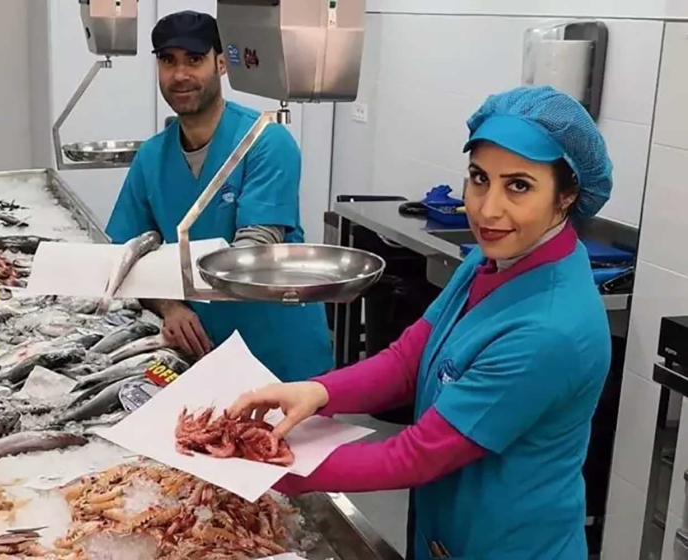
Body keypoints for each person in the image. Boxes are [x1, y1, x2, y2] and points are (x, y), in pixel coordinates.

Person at [229, 86, 614, 559]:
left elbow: (417, 454)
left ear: (567, 195)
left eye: (519, 185)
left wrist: (260, 466)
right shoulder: (491, 259)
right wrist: (318, 392)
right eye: (479, 178)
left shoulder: (550, 331)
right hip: (447, 528)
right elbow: (408, 361)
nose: (488, 209)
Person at [106, 10, 333, 382]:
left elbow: (255, 249)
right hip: (202, 354)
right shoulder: (152, 157)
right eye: (168, 61)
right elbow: (125, 253)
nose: (180, 75)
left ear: (222, 63)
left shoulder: (266, 141)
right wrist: (169, 306)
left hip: (278, 354)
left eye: (194, 60)